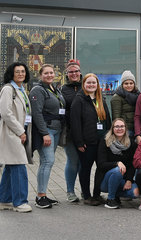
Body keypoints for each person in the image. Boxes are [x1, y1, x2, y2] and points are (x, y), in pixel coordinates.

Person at [0, 62, 33, 213]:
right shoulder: (8, 89)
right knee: (19, 166)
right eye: (17, 72)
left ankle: (3, 200)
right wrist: (20, 132)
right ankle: (20, 202)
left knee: (11, 166)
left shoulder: (21, 89)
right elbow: (6, 113)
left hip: (18, 132)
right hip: (12, 133)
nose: (21, 74)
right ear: (11, 74)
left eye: (23, 71)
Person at [71, 73, 111, 206]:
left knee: (100, 168)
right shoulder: (79, 100)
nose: (91, 85)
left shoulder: (100, 99)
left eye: (94, 83)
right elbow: (75, 123)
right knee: (86, 169)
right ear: (84, 84)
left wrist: (109, 137)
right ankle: (87, 196)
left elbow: (107, 120)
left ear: (97, 84)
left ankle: (96, 194)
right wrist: (79, 142)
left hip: (101, 142)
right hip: (87, 143)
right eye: (89, 82)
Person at [30, 64, 66, 209]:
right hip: (47, 130)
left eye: (52, 72)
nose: (50, 75)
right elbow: (36, 113)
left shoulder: (54, 88)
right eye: (46, 73)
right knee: (48, 161)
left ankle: (43, 194)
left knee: (46, 163)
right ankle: (40, 197)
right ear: (40, 75)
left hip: (56, 130)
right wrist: (44, 133)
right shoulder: (38, 90)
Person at [95, 118, 138, 209]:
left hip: (122, 178)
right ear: (112, 129)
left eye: (122, 126)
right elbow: (101, 164)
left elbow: (132, 164)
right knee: (118, 170)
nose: (119, 129)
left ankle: (114, 194)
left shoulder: (131, 143)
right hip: (105, 180)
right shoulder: (105, 141)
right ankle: (110, 200)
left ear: (125, 128)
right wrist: (117, 163)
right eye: (117, 126)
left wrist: (129, 180)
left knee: (135, 192)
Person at [61, 59, 82, 203]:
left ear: (80, 72)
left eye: (76, 71)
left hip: (86, 131)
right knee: (73, 160)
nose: (74, 74)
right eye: (71, 72)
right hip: (69, 132)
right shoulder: (62, 89)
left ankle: (85, 190)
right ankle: (70, 191)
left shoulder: (87, 85)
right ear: (67, 74)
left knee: (83, 163)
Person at [111, 70, 139, 139]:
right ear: (122, 84)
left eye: (131, 83)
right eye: (126, 83)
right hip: (125, 131)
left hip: (136, 129)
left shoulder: (138, 95)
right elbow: (116, 118)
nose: (129, 85)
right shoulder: (117, 98)